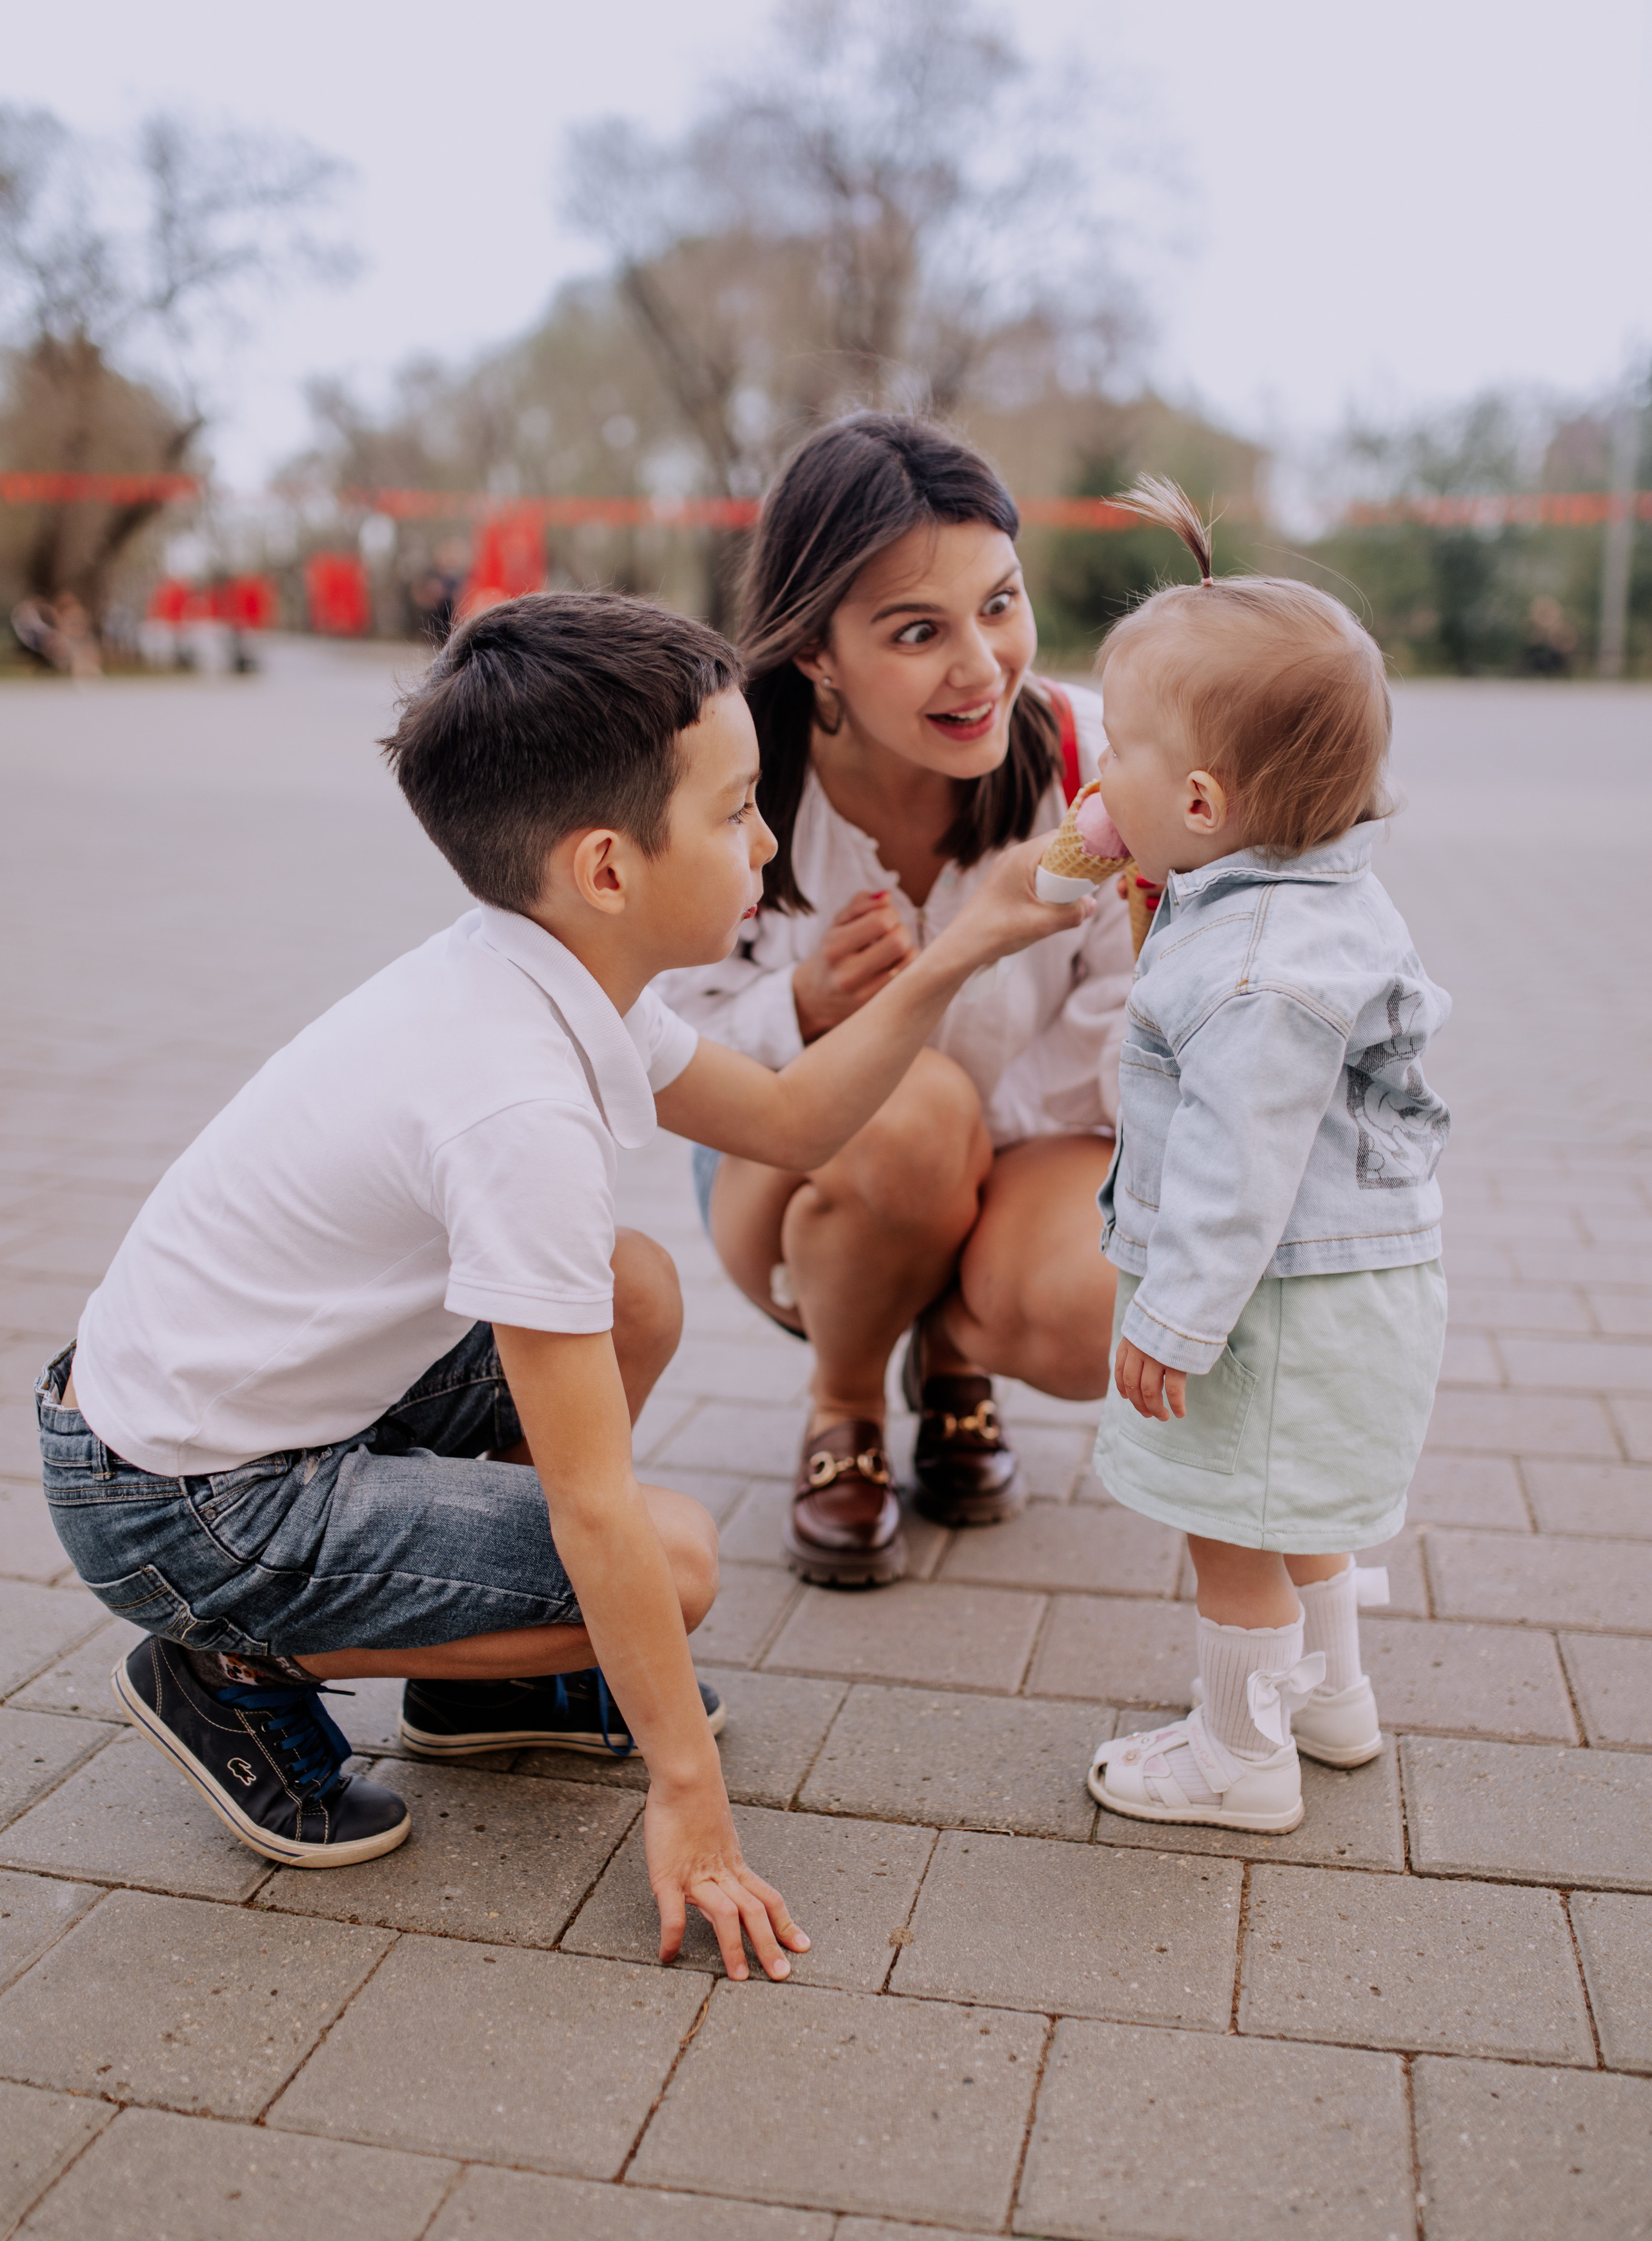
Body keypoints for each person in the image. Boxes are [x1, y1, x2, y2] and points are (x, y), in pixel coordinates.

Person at [36, 590, 1085, 1979]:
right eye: (732, 814)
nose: (769, 846)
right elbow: (594, 1508)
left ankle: (490, 1686)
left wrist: (963, 947)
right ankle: (228, 1664)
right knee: (673, 1560)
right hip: (185, 1510)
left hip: (218, 1419)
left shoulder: (547, 969)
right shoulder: (511, 1104)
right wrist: (689, 1802)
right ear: (605, 867)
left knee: (630, 1288)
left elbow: (786, 1123)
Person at [656, 414, 1136, 1585]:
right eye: (918, 631)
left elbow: (1131, 1019)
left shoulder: (1097, 760)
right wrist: (804, 1007)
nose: (982, 666)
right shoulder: (730, 778)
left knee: (1099, 1312)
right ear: (817, 650)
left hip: (1034, 1146)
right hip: (790, 1168)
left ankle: (950, 1354)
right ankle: (846, 1404)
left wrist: (974, 1174)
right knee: (910, 1112)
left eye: (1001, 603)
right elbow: (655, 1040)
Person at [1081, 480, 1450, 1834]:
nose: (1095, 771)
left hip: (1266, 1303)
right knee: (1296, 1508)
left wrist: (1173, 1321)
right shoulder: (1307, 897)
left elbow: (1240, 1161)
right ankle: (1330, 1700)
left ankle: (1236, 1757)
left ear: (1194, 795)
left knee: (1227, 1527)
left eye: (1113, 746)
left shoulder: (1245, 969)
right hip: (1344, 1288)